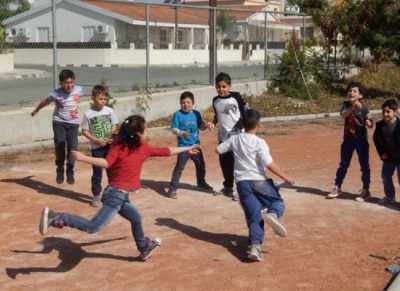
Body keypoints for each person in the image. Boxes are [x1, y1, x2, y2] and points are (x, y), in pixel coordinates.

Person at [38, 115, 200, 261]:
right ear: (137, 134)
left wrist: (187, 148)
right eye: (145, 130)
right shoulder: (119, 147)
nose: (146, 133)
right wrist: (82, 158)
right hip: (115, 195)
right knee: (93, 227)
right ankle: (57, 217)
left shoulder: (141, 148)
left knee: (136, 218)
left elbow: (167, 151)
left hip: (120, 196)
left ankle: (143, 247)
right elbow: (106, 163)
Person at [217, 109, 294, 262]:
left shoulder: (235, 139)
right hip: (259, 181)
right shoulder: (260, 142)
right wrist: (287, 177)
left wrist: (231, 140)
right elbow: (269, 164)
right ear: (258, 124)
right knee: (277, 203)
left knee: (254, 215)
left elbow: (218, 149)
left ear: (243, 124)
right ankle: (272, 214)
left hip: (242, 184)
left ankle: (255, 247)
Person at [31, 69, 82, 184]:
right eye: (66, 83)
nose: (69, 85)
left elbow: (77, 100)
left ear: (74, 81)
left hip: (73, 123)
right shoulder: (56, 93)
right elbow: (45, 102)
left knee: (73, 148)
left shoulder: (79, 90)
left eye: (71, 82)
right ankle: (60, 168)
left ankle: (70, 169)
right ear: (61, 83)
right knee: (60, 144)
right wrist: (36, 110)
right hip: (59, 121)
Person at [327, 82, 373, 201]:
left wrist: (368, 122)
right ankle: (337, 186)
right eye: (349, 91)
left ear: (360, 95)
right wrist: (352, 106)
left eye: (354, 91)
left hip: (361, 140)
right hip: (348, 139)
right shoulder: (345, 105)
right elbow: (343, 115)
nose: (351, 93)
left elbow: (370, 121)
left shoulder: (364, 107)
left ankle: (365, 190)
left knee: (364, 165)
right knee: (343, 164)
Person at [166, 91, 214, 198]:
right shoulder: (177, 115)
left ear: (193, 103)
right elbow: (173, 128)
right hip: (183, 148)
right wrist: (181, 133)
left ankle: (201, 182)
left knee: (201, 165)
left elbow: (201, 126)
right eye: (183, 102)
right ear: (180, 103)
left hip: (195, 146)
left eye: (188, 102)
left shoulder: (196, 113)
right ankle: (172, 189)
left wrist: (207, 126)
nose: (186, 105)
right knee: (179, 168)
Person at [212, 72, 248, 200]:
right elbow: (217, 115)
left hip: (237, 136)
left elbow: (245, 112)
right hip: (223, 137)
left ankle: (240, 190)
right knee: (225, 163)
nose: (221, 89)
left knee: (238, 164)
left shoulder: (236, 97)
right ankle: (228, 187)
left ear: (229, 86)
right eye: (218, 87)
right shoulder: (215, 100)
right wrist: (213, 123)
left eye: (224, 86)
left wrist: (239, 127)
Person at [81, 85, 119, 207]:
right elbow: (85, 131)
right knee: (97, 173)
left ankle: (111, 194)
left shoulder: (110, 111)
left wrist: (109, 136)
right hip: (97, 149)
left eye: (104, 99)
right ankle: (96, 195)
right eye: (100, 98)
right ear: (93, 98)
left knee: (111, 170)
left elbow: (115, 125)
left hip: (109, 147)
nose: (102, 101)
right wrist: (95, 140)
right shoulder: (88, 114)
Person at [373, 99, 400, 205]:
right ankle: (390, 197)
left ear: (395, 112)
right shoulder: (380, 125)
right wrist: (382, 152)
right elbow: (377, 140)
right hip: (388, 156)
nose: (385, 114)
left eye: (388, 111)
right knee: (385, 176)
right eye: (383, 111)